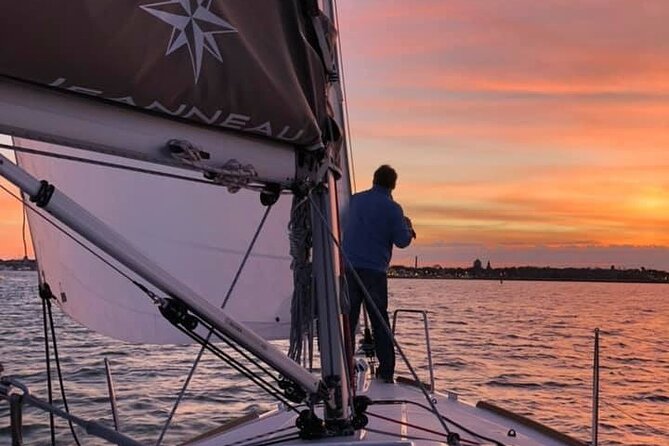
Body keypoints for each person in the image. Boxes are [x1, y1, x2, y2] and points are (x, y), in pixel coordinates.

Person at [343, 164, 415, 382]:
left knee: (347, 320)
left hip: (348, 269)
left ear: (374, 179)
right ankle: (386, 371)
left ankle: (344, 368)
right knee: (379, 322)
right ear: (393, 185)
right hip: (374, 272)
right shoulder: (393, 209)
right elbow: (402, 241)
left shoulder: (354, 201)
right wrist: (408, 228)